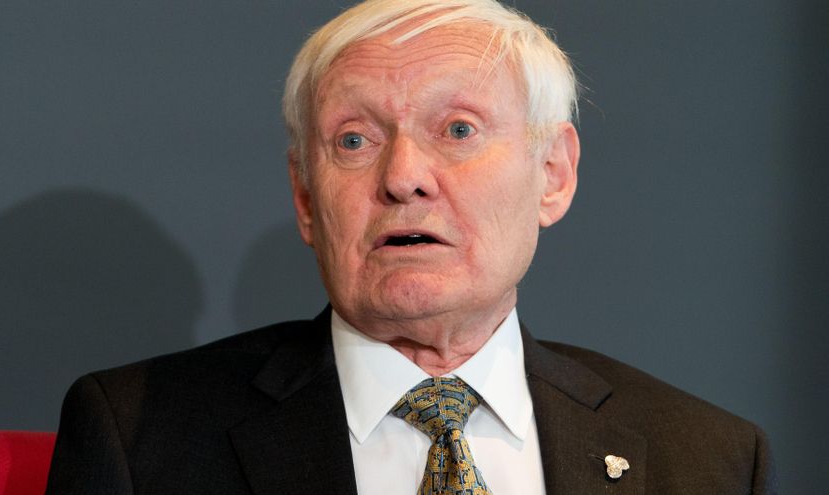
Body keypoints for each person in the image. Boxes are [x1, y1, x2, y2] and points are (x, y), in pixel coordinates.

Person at [46, 0, 777, 493]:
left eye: (458, 130)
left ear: (553, 174)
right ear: (306, 196)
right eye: (353, 140)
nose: (402, 177)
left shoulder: (708, 459)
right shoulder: (139, 437)